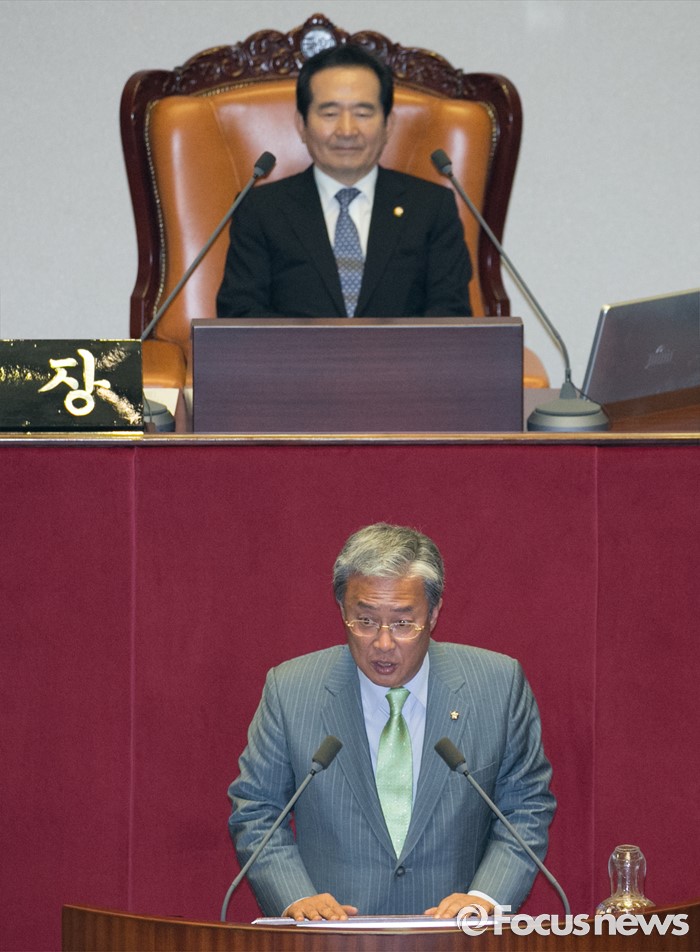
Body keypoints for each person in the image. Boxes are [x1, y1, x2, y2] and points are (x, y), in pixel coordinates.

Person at [228, 523, 556, 921]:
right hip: (330, 938)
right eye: (365, 621)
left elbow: (525, 806)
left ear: (433, 613)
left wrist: (486, 897)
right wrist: (295, 899)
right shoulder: (291, 690)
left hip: (456, 938)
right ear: (343, 611)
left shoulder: (497, 687)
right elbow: (256, 808)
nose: (383, 644)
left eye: (402, 623)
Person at [216, 44, 473, 319]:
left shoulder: (431, 207)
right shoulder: (260, 209)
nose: (347, 131)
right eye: (330, 114)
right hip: (290, 351)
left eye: (363, 114)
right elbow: (240, 315)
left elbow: (451, 314)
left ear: (388, 124)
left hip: (406, 350)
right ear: (302, 124)